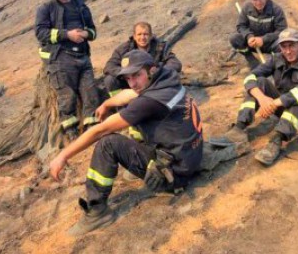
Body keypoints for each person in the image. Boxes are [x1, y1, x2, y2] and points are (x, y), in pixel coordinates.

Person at [49, 50, 203, 235]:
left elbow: (101, 130)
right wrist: (106, 104)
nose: (133, 83)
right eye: (128, 78)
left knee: (108, 144)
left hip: (174, 173)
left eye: (137, 75)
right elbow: (130, 93)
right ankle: (143, 158)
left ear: (151, 70)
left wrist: (63, 155)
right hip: (191, 157)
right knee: (129, 106)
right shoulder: (166, 79)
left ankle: (97, 211)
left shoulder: (149, 102)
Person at [212, 28, 298, 166]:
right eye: (284, 46)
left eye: (292, 45)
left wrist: (273, 104)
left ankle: (277, 140)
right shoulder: (277, 58)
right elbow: (251, 77)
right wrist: (262, 98)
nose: (288, 51)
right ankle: (239, 128)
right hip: (284, 107)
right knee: (259, 82)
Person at [35, 0, 100, 140]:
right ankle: (71, 132)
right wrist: (67, 35)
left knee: (90, 94)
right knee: (67, 97)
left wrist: (86, 34)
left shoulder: (81, 5)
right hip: (61, 58)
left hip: (83, 57)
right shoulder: (46, 9)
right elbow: (41, 33)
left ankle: (92, 129)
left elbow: (93, 31)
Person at [103, 21, 182, 98]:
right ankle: (119, 104)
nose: (142, 38)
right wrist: (126, 73)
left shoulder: (161, 46)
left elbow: (175, 63)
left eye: (146, 34)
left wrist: (157, 72)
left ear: (151, 36)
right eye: (139, 34)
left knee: (170, 75)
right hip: (131, 82)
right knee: (110, 80)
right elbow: (109, 66)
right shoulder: (124, 48)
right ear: (134, 36)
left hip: (152, 82)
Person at [229, 0, 287, 69]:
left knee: (283, 43)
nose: (258, 2)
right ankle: (252, 60)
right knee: (234, 38)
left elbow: (282, 30)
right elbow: (241, 26)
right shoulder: (246, 8)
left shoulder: (276, 10)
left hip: (269, 44)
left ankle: (276, 66)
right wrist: (249, 36)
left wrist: (264, 39)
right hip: (252, 43)